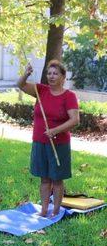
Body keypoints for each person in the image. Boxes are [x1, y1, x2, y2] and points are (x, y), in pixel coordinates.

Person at [17, 60, 80, 217]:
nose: (51, 76)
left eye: (55, 73)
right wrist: (26, 74)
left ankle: (56, 211)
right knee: (44, 179)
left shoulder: (69, 96)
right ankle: (44, 210)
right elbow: (20, 84)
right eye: (49, 73)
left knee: (57, 180)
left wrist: (55, 130)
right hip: (39, 141)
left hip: (59, 144)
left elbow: (75, 120)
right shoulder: (40, 90)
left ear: (63, 77)